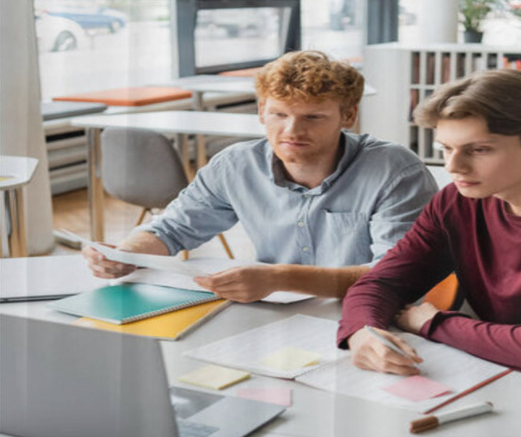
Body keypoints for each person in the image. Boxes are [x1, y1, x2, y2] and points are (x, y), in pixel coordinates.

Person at [338, 69, 521, 420]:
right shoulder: (458, 200)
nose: (453, 166)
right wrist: (363, 332)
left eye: (478, 150)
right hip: (509, 358)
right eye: (446, 149)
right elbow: (381, 282)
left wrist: (432, 323)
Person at [83, 50, 438, 301]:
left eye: (313, 117)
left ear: (348, 116)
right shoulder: (235, 165)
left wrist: (279, 277)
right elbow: (171, 229)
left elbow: (394, 275)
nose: (292, 130)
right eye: (279, 114)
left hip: (370, 312)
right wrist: (126, 254)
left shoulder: (396, 171)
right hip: (274, 312)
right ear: (261, 111)